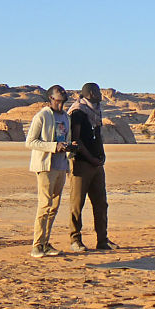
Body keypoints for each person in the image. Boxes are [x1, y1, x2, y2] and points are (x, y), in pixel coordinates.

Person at [68, 82, 116, 252]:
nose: (99, 95)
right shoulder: (78, 112)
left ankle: (102, 240)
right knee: (77, 204)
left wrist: (101, 156)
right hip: (81, 164)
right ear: (89, 93)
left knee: (101, 204)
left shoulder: (96, 111)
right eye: (96, 92)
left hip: (96, 164)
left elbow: (97, 135)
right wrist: (90, 158)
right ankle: (75, 240)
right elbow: (76, 139)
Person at [25, 85, 72, 258]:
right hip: (46, 166)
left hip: (61, 166)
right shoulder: (42, 116)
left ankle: (45, 243)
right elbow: (30, 142)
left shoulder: (66, 117)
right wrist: (53, 147)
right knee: (44, 206)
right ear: (51, 98)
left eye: (64, 96)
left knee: (54, 208)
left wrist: (69, 149)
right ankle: (36, 245)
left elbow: (67, 138)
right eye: (59, 95)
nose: (62, 97)